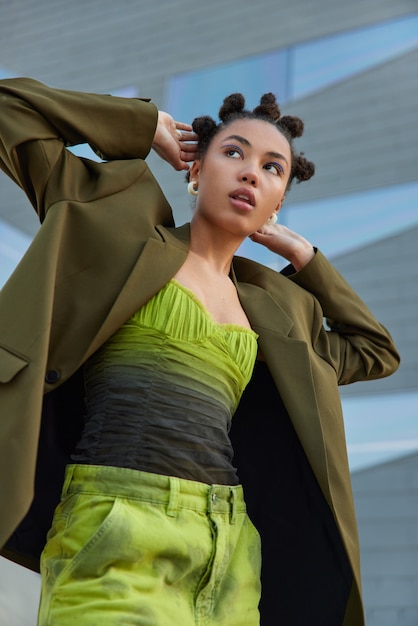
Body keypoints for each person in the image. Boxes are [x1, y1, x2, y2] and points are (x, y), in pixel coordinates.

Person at [0, 78, 399, 626]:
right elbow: (8, 110)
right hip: (115, 524)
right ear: (194, 170)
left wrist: (307, 258)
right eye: (233, 153)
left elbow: (374, 350)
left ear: (279, 199)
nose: (251, 172)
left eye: (272, 167)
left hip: (228, 549)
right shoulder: (119, 225)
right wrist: (143, 126)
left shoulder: (277, 308)